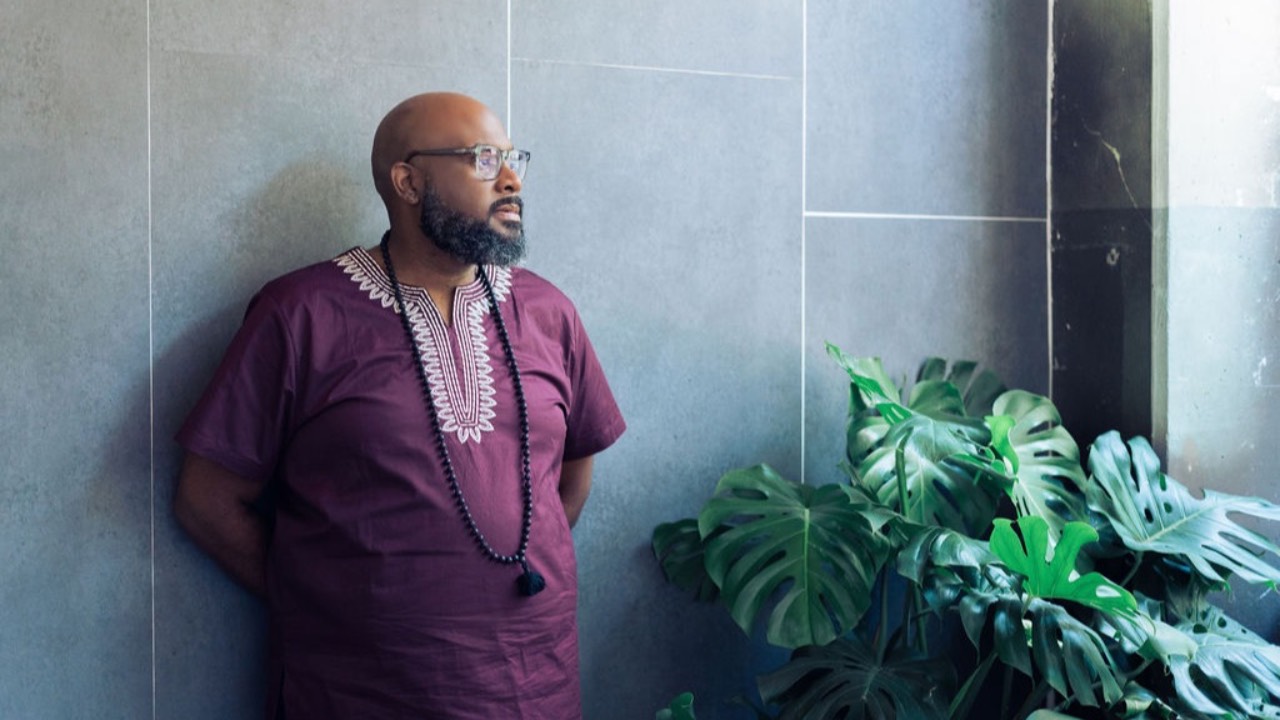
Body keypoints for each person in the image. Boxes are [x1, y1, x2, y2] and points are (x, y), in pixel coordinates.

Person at [173, 91, 626, 719]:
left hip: (532, 686)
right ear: (408, 182)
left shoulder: (549, 313)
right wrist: (336, 606)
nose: (512, 180)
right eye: (483, 159)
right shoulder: (301, 314)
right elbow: (207, 500)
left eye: (513, 158)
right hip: (358, 694)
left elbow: (569, 481)